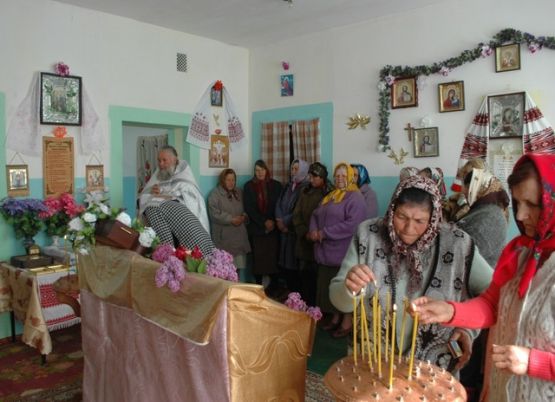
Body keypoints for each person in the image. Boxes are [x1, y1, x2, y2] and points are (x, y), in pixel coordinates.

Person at [412, 154, 555, 401]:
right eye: (517, 203)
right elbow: (491, 304)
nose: (520, 216)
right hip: (502, 388)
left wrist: (534, 362)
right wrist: (450, 311)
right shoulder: (521, 253)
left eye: (532, 204)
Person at [329, 175, 494, 371]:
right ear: (391, 210)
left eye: (419, 220)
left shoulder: (458, 244)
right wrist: (350, 288)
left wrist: (467, 328)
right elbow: (337, 298)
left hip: (431, 368)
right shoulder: (368, 235)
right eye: (401, 217)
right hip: (373, 360)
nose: (409, 228)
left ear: (434, 217)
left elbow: (493, 294)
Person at [309, 162, 367, 338]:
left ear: (350, 177)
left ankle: (346, 322)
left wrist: (323, 233)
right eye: (337, 176)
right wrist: (313, 230)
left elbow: (352, 225)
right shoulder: (331, 196)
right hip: (325, 250)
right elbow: (315, 214)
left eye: (343, 176)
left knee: (344, 285)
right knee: (330, 285)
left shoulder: (355, 197)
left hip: (342, 251)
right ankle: (335, 318)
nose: (340, 179)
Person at [138, 145, 214, 256]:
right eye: (159, 160)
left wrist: (165, 194)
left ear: (174, 159)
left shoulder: (184, 174)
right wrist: (153, 192)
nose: (161, 164)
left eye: (164, 160)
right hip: (164, 225)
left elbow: (191, 200)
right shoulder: (158, 174)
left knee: (191, 256)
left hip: (185, 227)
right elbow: (144, 197)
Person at [292, 162, 333, 305]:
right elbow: (296, 215)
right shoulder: (305, 191)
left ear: (322, 178)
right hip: (304, 241)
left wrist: (317, 234)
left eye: (315, 177)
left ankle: (319, 309)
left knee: (319, 278)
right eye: (310, 176)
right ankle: (304, 305)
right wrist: (304, 233)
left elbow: (331, 218)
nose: (311, 180)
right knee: (304, 276)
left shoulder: (330, 193)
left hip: (321, 242)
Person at [457, 168, 510, 266]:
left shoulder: (491, 216)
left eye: (468, 189)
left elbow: (465, 251)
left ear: (478, 187)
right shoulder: (481, 210)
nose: (464, 193)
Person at [243, 160, 283, 287]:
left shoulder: (276, 185)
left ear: (267, 170)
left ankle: (274, 287)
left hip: (273, 228)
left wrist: (272, 221)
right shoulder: (248, 186)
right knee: (258, 260)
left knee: (273, 258)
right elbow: (249, 208)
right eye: (257, 170)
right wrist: (263, 222)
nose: (260, 173)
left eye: (262, 170)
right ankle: (258, 286)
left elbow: (279, 205)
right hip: (257, 228)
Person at [208, 168, 251, 282]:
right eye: (228, 180)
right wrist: (231, 219)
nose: (231, 182)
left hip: (239, 237)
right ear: (223, 180)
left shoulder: (239, 192)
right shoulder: (215, 194)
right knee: (225, 270)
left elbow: (248, 208)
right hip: (224, 238)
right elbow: (214, 214)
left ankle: (236, 292)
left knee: (238, 268)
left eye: (233, 180)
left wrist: (243, 217)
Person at [275, 159, 309, 294]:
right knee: (284, 263)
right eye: (292, 169)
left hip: (292, 230)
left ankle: (296, 295)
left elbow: (298, 210)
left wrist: (285, 222)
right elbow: (279, 202)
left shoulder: (305, 188)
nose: (293, 171)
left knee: (293, 263)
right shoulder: (289, 186)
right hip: (283, 229)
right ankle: (289, 293)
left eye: (296, 169)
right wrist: (278, 219)